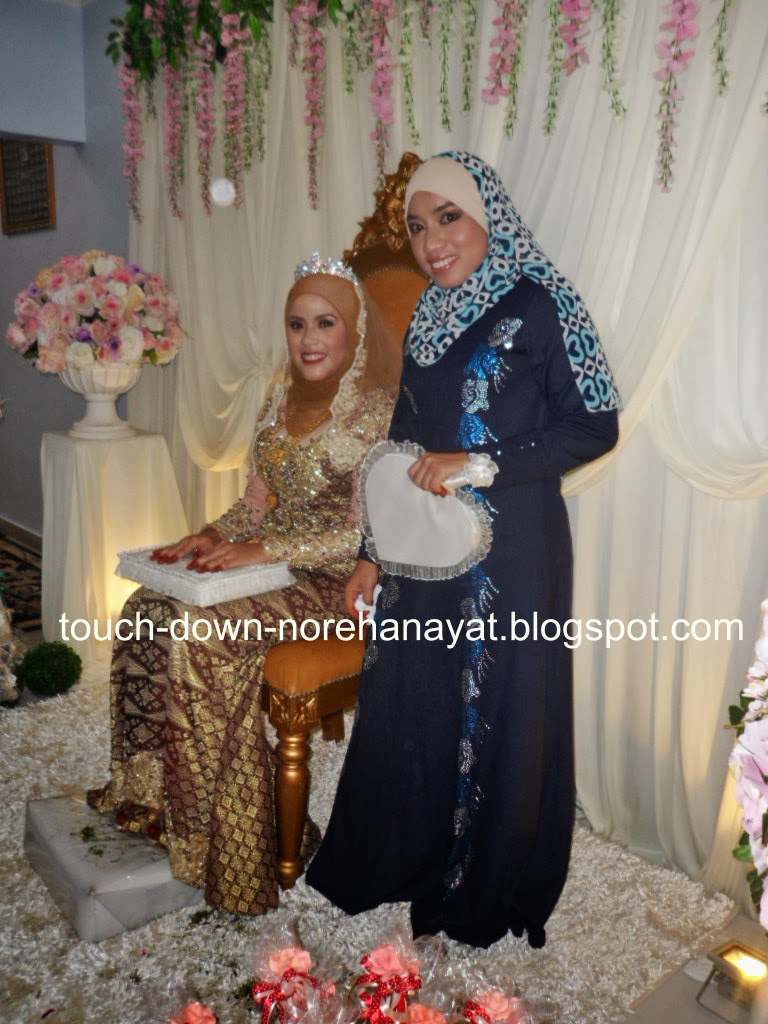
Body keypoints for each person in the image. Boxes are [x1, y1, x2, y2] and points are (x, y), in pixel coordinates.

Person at [306, 152, 621, 949]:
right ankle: (408, 856)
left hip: (513, 555)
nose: (431, 241)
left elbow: (595, 425)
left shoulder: (542, 302)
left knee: (499, 703)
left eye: (448, 218)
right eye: (417, 226)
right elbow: (402, 440)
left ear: (489, 217)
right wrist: (373, 552)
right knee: (415, 696)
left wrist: (476, 464)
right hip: (421, 549)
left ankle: (482, 879)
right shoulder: (429, 314)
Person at [89, 256, 399, 915]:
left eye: (326, 323)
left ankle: (226, 844)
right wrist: (208, 535)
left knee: (202, 633)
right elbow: (254, 506)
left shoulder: (378, 415)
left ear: (355, 332)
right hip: (269, 564)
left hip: (337, 583)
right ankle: (152, 801)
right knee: (145, 609)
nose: (308, 339)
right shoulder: (279, 398)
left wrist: (265, 549)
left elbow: (367, 535)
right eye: (296, 324)